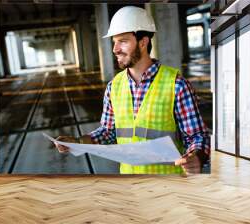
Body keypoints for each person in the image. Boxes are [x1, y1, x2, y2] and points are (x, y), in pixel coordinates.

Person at [54, 6, 210, 175]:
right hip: (130, 183)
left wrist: (197, 156)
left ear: (143, 42)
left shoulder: (176, 85)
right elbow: (108, 132)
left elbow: (196, 136)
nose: (115, 49)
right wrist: (78, 142)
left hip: (168, 186)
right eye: (114, 42)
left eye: (123, 41)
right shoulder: (113, 87)